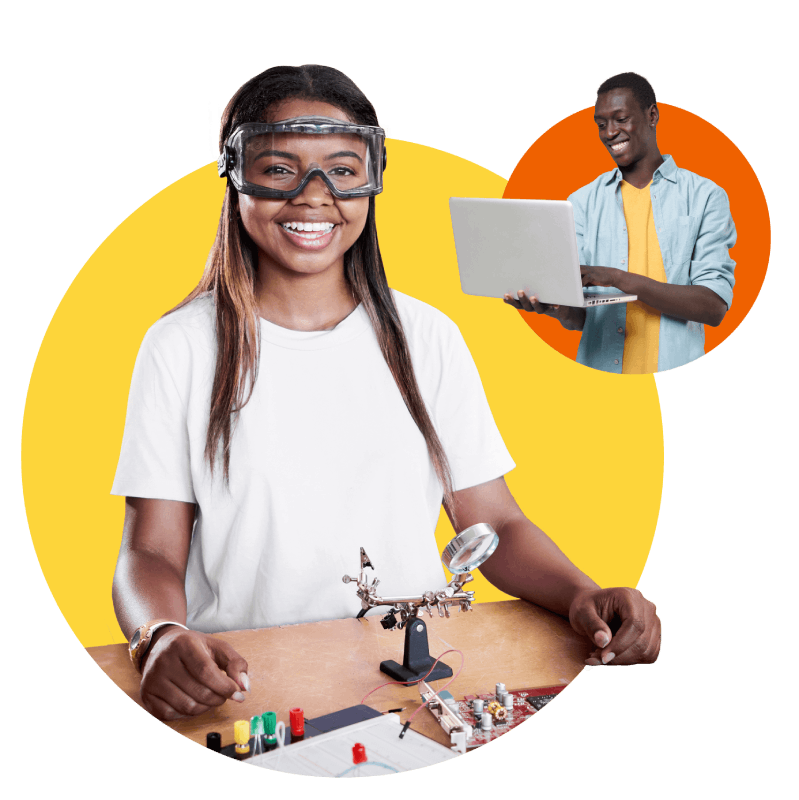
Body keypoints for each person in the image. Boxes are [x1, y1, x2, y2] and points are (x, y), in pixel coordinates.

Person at [111, 64, 661, 722]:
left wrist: (581, 595)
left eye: (342, 170)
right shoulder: (181, 347)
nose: (314, 196)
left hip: (412, 678)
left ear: (372, 178)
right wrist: (162, 636)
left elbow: (495, 525)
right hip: (247, 682)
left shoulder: (427, 336)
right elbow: (149, 551)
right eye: (279, 168)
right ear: (233, 172)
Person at [504, 71, 736, 373]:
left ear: (652, 115)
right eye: (601, 124)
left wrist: (617, 278)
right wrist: (556, 307)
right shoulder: (582, 201)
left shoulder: (705, 196)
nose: (610, 132)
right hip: (600, 380)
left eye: (621, 119)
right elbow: (580, 318)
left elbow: (713, 306)